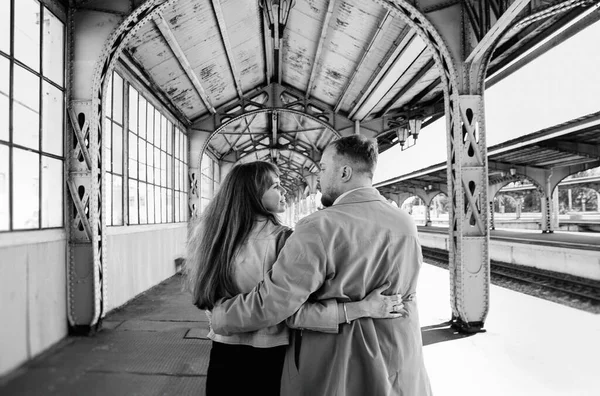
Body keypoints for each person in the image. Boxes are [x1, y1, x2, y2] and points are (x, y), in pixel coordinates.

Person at [210, 136, 432, 395]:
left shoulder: (318, 226)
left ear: (345, 172)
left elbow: (279, 306)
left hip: (337, 369)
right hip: (400, 367)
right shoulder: (405, 223)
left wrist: (221, 316)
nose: (319, 179)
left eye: (324, 169)